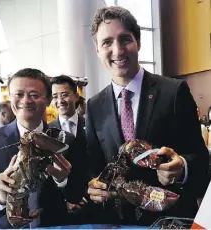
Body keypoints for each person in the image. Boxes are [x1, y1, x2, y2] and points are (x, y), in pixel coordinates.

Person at [86, 6, 209, 226]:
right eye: (107, 42)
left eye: (125, 39)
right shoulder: (94, 106)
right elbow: (95, 169)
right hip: (118, 222)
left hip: (171, 220)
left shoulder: (174, 92)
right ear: (97, 50)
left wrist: (182, 167)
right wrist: (94, 186)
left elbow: (201, 160)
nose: (118, 50)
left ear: (139, 42)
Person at [0, 68, 74, 228]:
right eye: (18, 94)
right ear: (10, 98)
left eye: (34, 95)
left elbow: (78, 193)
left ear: (47, 100)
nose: (25, 101)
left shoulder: (65, 139)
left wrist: (62, 181)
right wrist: (1, 197)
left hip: (53, 225)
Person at [48, 75, 88, 224]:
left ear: (76, 96)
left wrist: (84, 197)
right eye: (55, 97)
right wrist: (66, 200)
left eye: (64, 95)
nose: (60, 101)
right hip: (59, 207)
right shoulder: (48, 131)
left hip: (91, 203)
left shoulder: (92, 126)